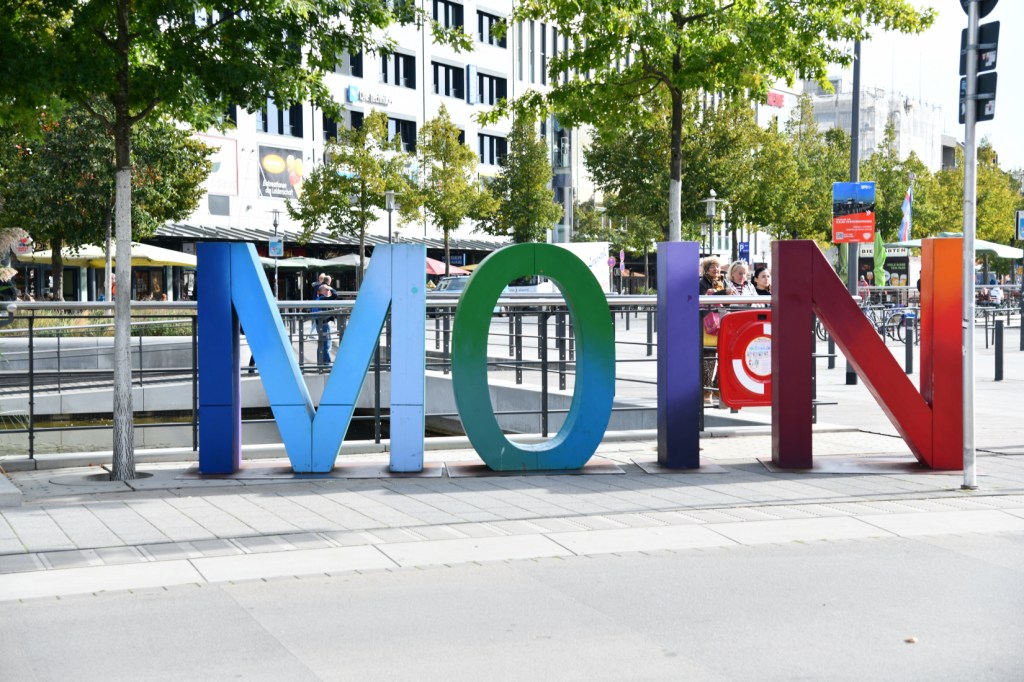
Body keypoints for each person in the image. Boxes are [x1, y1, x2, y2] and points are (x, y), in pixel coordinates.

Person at [314, 281, 336, 366]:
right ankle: (327, 364)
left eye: (328, 290)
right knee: (326, 344)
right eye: (326, 290)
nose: (328, 291)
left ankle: (320, 363)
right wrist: (331, 288)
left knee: (321, 344)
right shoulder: (322, 299)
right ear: (321, 291)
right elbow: (335, 295)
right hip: (323, 324)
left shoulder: (318, 298)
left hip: (319, 323)